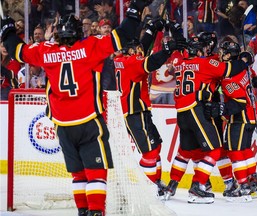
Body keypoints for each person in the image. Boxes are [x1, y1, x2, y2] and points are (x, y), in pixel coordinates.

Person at [1, 0, 153, 215]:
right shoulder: (89, 46)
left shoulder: (46, 50)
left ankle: (83, 211)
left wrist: (7, 30)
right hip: (88, 120)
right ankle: (96, 211)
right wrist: (135, 10)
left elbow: (17, 51)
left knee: (78, 174)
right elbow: (123, 35)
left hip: (62, 124)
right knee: (96, 173)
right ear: (77, 32)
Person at [168, 30, 254, 204]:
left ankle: (170, 186)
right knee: (215, 149)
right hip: (199, 109)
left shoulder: (181, 61)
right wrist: (244, 61)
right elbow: (229, 68)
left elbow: (174, 62)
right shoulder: (206, 63)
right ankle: (199, 186)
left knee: (186, 151)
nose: (209, 48)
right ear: (200, 51)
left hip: (182, 111)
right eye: (205, 45)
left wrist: (175, 29)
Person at [113, 19, 187, 199]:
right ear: (131, 51)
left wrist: (151, 30)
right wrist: (168, 50)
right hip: (134, 112)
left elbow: (144, 50)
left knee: (157, 146)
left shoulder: (123, 60)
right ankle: (149, 188)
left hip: (138, 110)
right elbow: (152, 62)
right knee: (150, 151)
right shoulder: (132, 62)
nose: (141, 51)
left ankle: (155, 183)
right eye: (137, 49)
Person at [204, 40, 257, 201]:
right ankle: (253, 183)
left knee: (234, 151)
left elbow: (239, 101)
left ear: (227, 55)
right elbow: (252, 80)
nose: (220, 54)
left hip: (240, 118)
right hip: (252, 116)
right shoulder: (245, 70)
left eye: (222, 52)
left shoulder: (228, 77)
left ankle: (244, 186)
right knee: (245, 150)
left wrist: (222, 109)